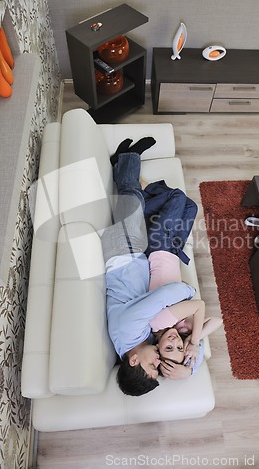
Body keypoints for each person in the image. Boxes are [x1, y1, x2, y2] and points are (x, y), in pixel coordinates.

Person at [102, 137, 205, 396]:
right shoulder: (135, 343)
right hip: (134, 257)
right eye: (158, 366)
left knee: (131, 195)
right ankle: (126, 162)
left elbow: (163, 296)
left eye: (152, 365)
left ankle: (126, 161)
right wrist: (191, 369)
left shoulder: (129, 330)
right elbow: (188, 343)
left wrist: (188, 292)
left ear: (134, 361)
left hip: (124, 253)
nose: (157, 361)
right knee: (151, 203)